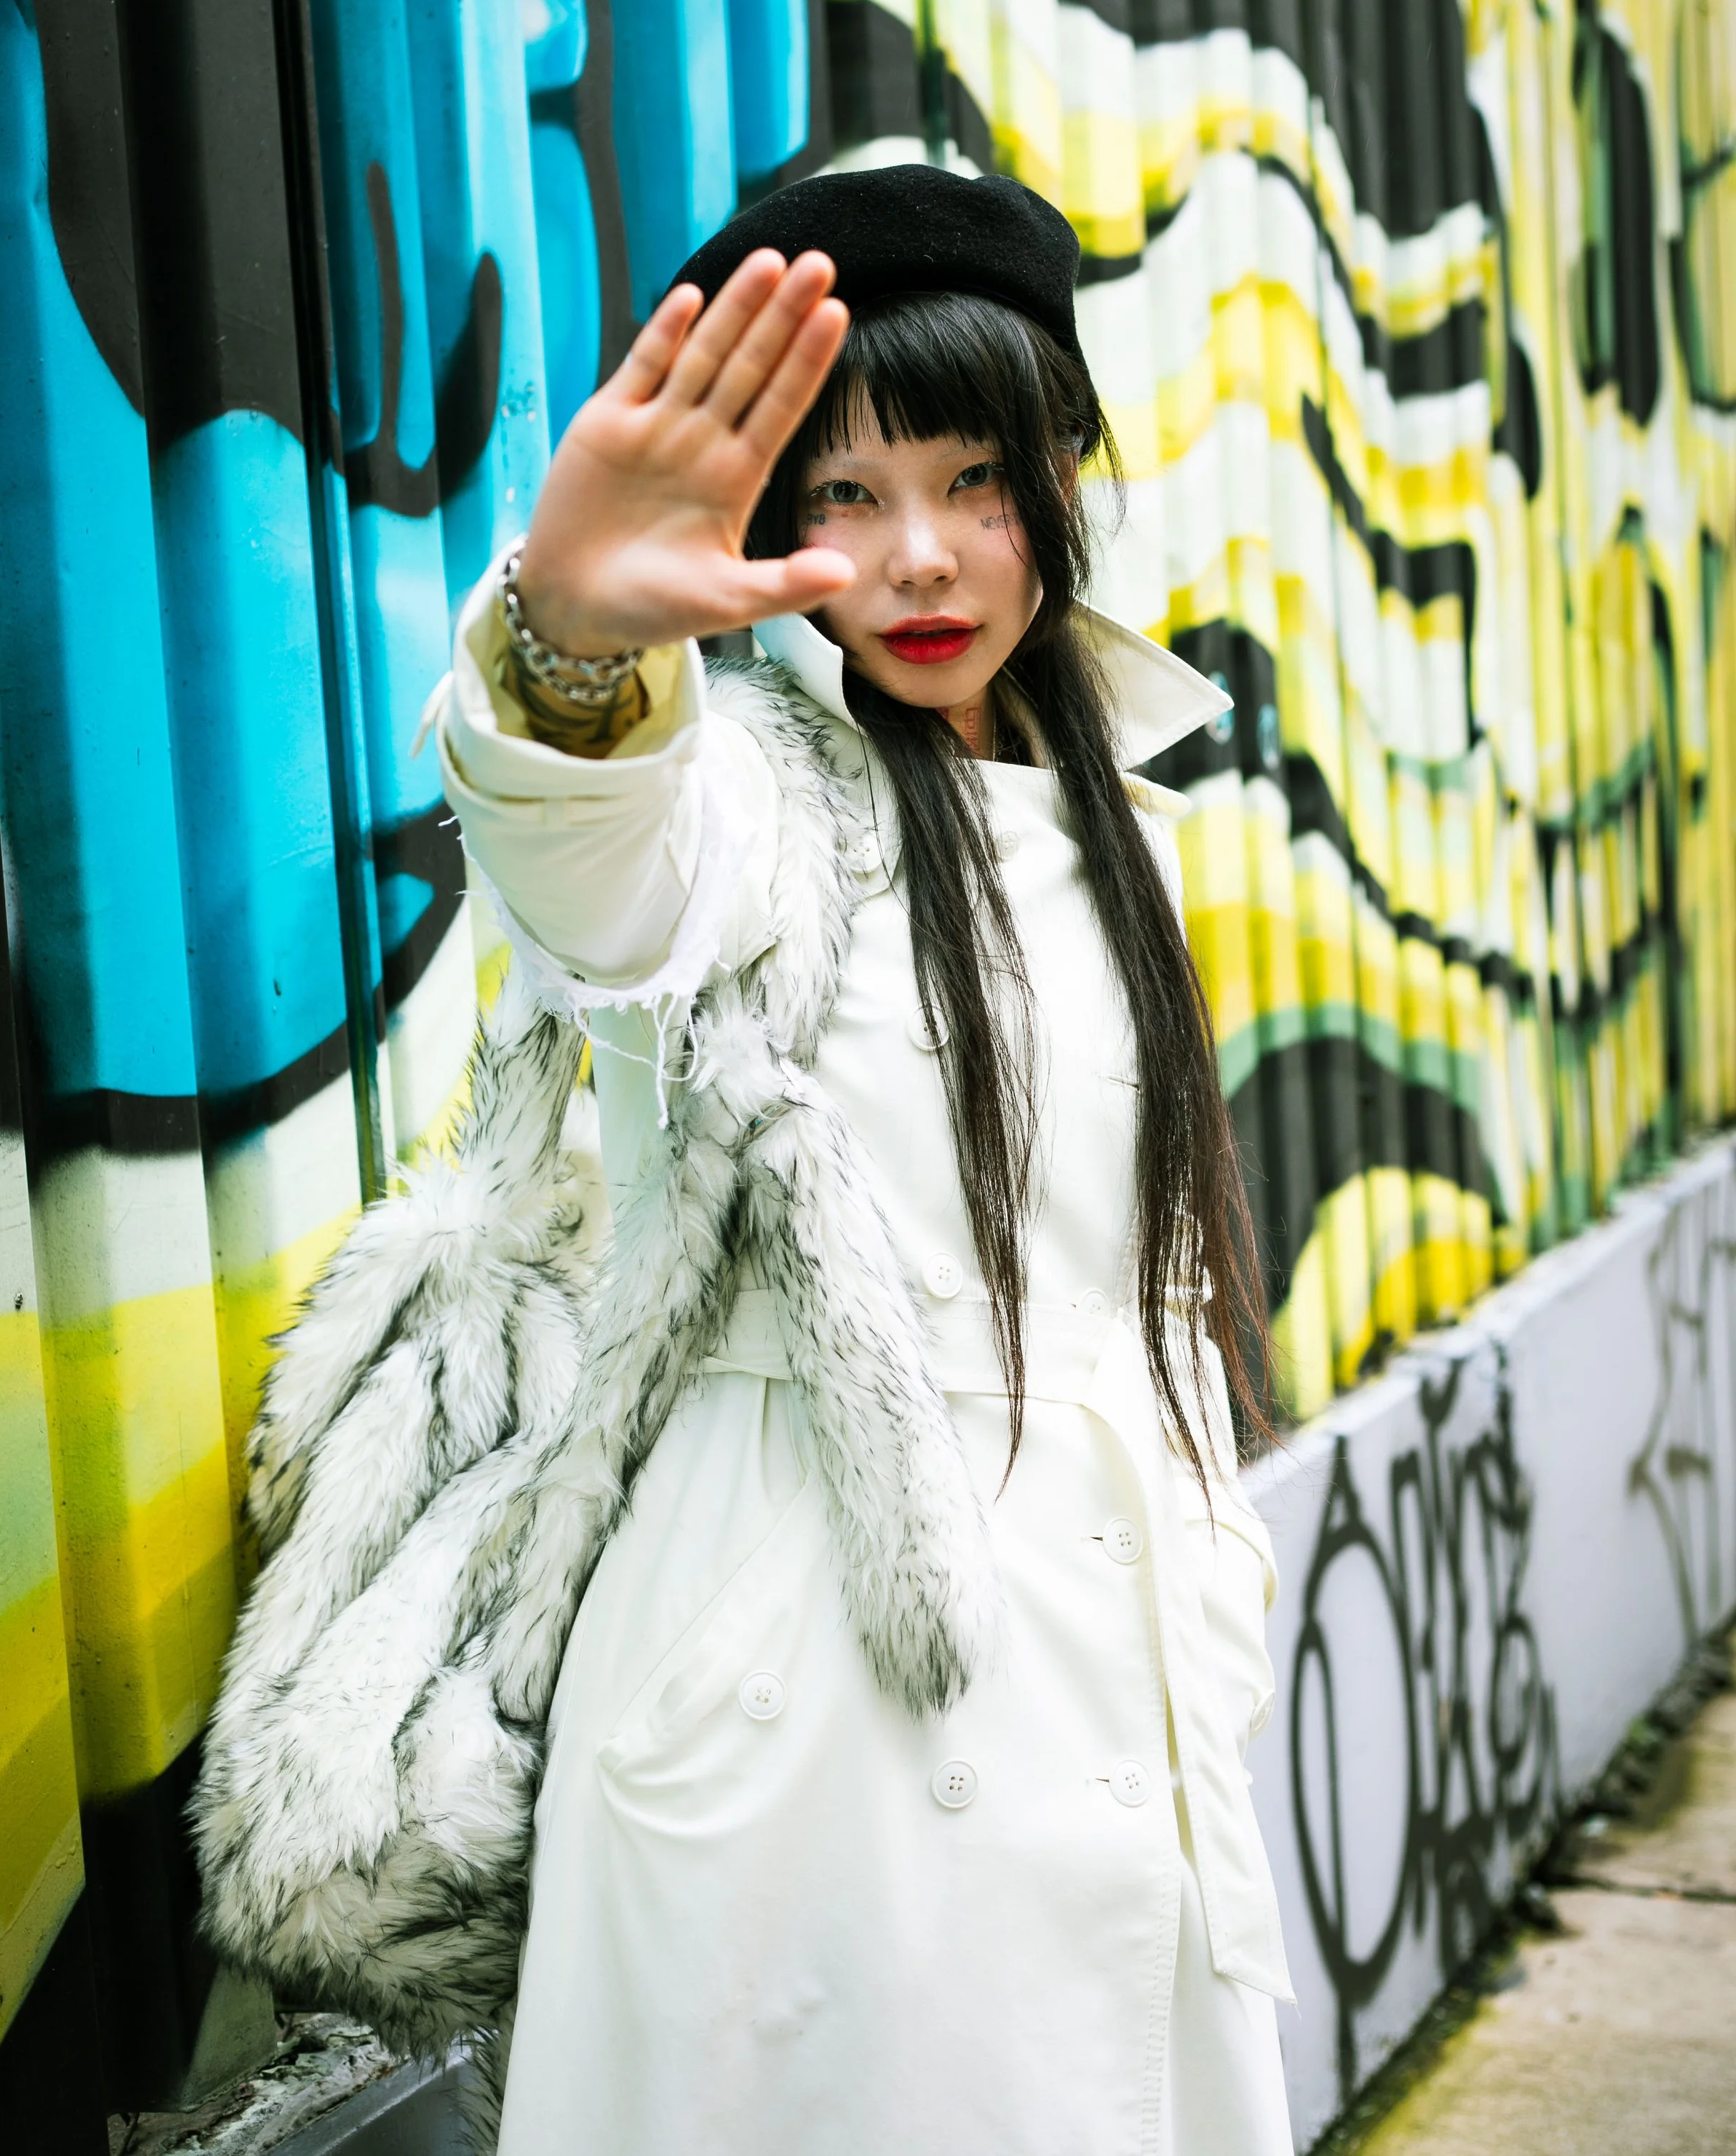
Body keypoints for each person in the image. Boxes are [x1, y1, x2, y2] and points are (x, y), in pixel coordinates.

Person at [429, 166, 1294, 2153]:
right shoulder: (742, 784)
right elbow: (600, 862)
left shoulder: (1125, 819)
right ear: (754, 525)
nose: (920, 556)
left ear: (1061, 479)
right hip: (808, 1707)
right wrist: (565, 649)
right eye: (840, 494)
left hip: (1110, 1686)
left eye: (977, 478)